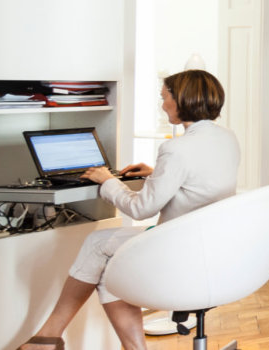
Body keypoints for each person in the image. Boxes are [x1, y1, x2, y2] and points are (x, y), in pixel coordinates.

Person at [20, 69, 239, 350]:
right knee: (111, 263)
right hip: (213, 248)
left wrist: (109, 182)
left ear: (182, 100)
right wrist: (156, 173)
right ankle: (59, 340)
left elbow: (140, 209)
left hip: (181, 251)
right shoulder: (226, 137)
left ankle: (48, 337)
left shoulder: (177, 149)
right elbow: (200, 181)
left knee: (97, 244)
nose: (162, 105)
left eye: (165, 98)